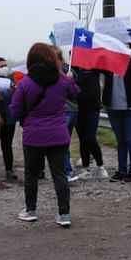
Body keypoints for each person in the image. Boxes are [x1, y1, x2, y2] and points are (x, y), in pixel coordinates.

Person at [9, 42, 79, 227]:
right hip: (58, 134)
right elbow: (75, 95)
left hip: (33, 136)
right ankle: (64, 215)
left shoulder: (25, 83)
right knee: (60, 175)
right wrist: (70, 79)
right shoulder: (63, 80)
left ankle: (30, 211)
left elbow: (14, 112)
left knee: (31, 174)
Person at [102, 28, 131, 182]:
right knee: (120, 140)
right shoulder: (109, 65)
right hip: (114, 108)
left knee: (130, 138)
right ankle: (122, 170)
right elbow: (94, 62)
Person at [72, 66, 107, 179]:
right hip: (78, 108)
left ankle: (100, 166)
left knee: (90, 137)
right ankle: (85, 168)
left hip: (93, 108)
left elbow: (106, 70)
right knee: (82, 139)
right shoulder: (73, 69)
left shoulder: (95, 66)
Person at [56, 49, 80, 182]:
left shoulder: (69, 70)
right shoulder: (47, 73)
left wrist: (69, 79)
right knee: (61, 143)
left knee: (64, 142)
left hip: (70, 110)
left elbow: (75, 92)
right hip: (59, 112)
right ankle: (65, 171)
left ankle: (66, 171)